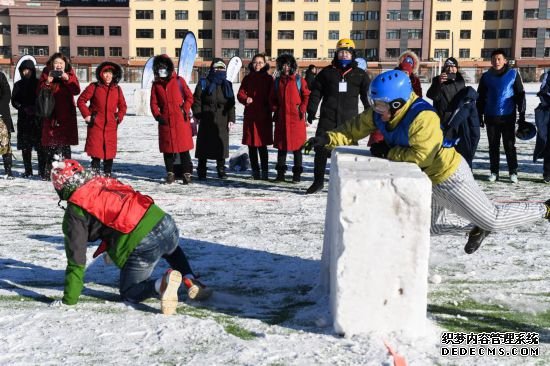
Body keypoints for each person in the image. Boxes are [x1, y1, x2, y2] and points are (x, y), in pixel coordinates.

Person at [303, 69, 550, 255]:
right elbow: (355, 127)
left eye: (379, 105)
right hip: (425, 181)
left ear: (397, 103)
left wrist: (388, 152)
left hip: (450, 176)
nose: (375, 109)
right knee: (427, 228)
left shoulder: (423, 117)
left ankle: (546, 209)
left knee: (493, 219)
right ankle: (475, 227)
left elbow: (422, 155)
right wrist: (327, 138)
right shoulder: (382, 113)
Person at [50, 159, 212, 314]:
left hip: (143, 241)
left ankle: (161, 285)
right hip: (164, 221)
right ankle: (189, 278)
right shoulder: (102, 181)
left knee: (129, 291)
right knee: (171, 249)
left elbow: (76, 259)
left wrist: (69, 299)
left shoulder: (76, 210)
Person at [305, 38, 370, 194]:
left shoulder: (360, 74)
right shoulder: (327, 73)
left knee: (349, 152)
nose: (344, 55)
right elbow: (316, 93)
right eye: (341, 52)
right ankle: (318, 182)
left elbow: (367, 96)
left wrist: (370, 112)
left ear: (353, 54)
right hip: (327, 118)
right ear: (336, 54)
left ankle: (349, 183)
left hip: (349, 121)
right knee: (320, 149)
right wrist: (311, 111)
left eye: (347, 53)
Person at [476, 48, 526, 183]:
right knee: (493, 146)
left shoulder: (513, 74)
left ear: (504, 60)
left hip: (508, 116)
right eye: (493, 59)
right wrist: (479, 115)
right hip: (490, 116)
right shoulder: (486, 77)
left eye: (499, 59)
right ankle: (494, 172)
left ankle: (513, 171)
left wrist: (522, 116)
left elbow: (520, 95)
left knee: (509, 145)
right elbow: (480, 97)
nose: (496, 61)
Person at [426, 57, 480, 168]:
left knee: (464, 147)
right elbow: (431, 95)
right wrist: (439, 83)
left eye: (453, 67)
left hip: (460, 119)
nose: (451, 69)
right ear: (444, 68)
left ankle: (464, 168)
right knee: (447, 149)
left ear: (457, 68)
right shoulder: (438, 80)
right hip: (445, 121)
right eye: (448, 67)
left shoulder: (460, 80)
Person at [77, 62, 127, 176]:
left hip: (111, 126)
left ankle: (108, 175)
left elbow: (123, 106)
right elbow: (81, 101)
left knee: (109, 153)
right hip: (96, 125)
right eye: (105, 73)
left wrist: (118, 117)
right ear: (101, 74)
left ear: (114, 75)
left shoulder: (117, 89)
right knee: (96, 152)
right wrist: (87, 115)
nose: (108, 76)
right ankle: (95, 175)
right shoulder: (94, 87)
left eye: (110, 73)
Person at [150, 55, 194, 184]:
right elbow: (153, 103)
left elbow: (189, 97)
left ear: (169, 68)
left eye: (164, 67)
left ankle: (187, 174)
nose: (162, 70)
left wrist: (184, 109)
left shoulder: (179, 81)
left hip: (180, 121)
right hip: (165, 121)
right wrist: (158, 116)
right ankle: (170, 173)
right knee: (167, 150)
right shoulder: (156, 85)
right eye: (159, 68)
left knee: (184, 149)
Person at [37, 52, 81, 179]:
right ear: (52, 64)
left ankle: (67, 172)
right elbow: (39, 92)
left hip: (66, 115)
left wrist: (67, 78)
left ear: (65, 64)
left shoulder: (69, 73)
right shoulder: (46, 73)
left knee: (65, 145)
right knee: (51, 145)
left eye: (61, 63)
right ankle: (50, 172)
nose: (58, 66)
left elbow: (76, 90)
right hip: (50, 114)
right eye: (56, 63)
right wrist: (47, 82)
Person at [192, 58, 236, 180]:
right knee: (203, 147)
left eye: (221, 68)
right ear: (212, 68)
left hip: (222, 119)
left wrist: (231, 119)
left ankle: (221, 169)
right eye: (217, 68)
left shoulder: (227, 84)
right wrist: (198, 115)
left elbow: (231, 103)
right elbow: (197, 101)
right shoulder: (203, 83)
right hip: (206, 118)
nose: (219, 70)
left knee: (221, 146)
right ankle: (201, 169)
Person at [269, 54, 311, 183]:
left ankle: (296, 175)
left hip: (296, 120)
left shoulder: (299, 80)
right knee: (282, 149)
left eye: (288, 64)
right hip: (282, 119)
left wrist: (302, 108)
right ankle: (280, 174)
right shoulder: (277, 81)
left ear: (292, 66)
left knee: (297, 149)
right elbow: (272, 98)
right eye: (283, 64)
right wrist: (275, 108)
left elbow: (306, 95)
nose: (286, 67)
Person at [237, 53, 274, 180]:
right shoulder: (247, 78)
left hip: (263, 116)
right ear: (251, 64)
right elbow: (240, 94)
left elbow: (273, 97)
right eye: (255, 62)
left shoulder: (269, 79)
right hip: (250, 116)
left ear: (264, 64)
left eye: (260, 62)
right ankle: (255, 171)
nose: (257, 65)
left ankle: (265, 171)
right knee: (251, 146)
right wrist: (245, 99)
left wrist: (270, 107)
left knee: (262, 146)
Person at [11, 60, 45, 178]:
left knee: (40, 147)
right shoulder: (18, 84)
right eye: (23, 70)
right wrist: (22, 107)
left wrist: (36, 108)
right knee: (26, 147)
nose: (26, 72)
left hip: (37, 120)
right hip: (24, 119)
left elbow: (42, 99)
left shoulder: (38, 83)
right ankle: (28, 171)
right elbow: (14, 101)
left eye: (28, 70)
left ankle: (42, 170)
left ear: (32, 70)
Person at [534, 69, 550, 182]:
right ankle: (547, 173)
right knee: (548, 145)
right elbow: (543, 91)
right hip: (548, 112)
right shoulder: (548, 75)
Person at [0, 70, 13, 178]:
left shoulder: (1, 76)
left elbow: (7, 93)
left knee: (5, 145)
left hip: (2, 117)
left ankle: (8, 170)